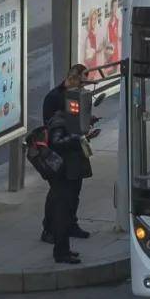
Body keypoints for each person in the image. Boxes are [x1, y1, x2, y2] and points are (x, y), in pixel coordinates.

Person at [40, 66, 95, 243]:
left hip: (75, 152)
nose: (82, 88)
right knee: (58, 194)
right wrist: (74, 136)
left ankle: (71, 224)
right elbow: (52, 129)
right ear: (72, 79)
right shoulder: (54, 98)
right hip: (60, 155)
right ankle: (49, 228)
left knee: (74, 192)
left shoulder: (77, 96)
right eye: (81, 82)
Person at [43, 104, 96, 264]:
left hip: (70, 174)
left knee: (67, 213)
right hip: (63, 175)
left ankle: (64, 250)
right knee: (62, 214)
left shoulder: (69, 121)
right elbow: (57, 142)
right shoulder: (60, 122)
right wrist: (78, 138)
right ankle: (60, 252)